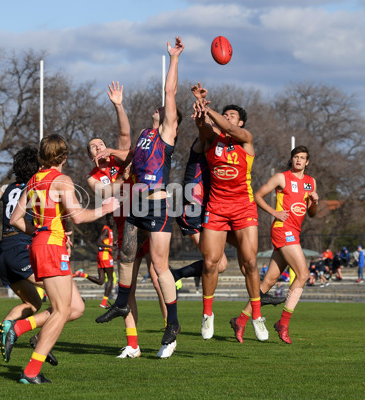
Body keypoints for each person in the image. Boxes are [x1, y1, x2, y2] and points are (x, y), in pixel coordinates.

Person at [96, 37, 184, 359]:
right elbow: (129, 156)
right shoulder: (147, 136)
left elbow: (170, 93)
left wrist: (173, 58)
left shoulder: (167, 131)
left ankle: (171, 324)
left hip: (159, 203)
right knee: (126, 255)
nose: (159, 107)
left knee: (159, 267)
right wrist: (110, 152)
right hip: (135, 201)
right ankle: (121, 303)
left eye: (163, 109)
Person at [9, 134, 118, 384]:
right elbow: (78, 216)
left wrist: (39, 230)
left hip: (39, 245)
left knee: (74, 307)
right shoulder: (62, 180)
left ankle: (19, 332)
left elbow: (15, 220)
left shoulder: (33, 181)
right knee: (61, 310)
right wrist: (105, 208)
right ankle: (31, 370)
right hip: (51, 247)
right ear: (64, 157)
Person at [87, 81, 166, 358]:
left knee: (159, 275)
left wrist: (118, 105)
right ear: (91, 156)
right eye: (93, 147)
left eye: (100, 144)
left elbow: (124, 132)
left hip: (145, 215)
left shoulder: (121, 158)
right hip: (125, 226)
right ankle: (133, 344)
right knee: (127, 287)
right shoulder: (94, 177)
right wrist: (121, 181)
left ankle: (170, 333)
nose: (98, 148)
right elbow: (104, 192)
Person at [192, 90, 268, 342]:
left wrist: (212, 112)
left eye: (232, 115)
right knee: (210, 262)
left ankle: (256, 315)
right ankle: (207, 313)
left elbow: (228, 128)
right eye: (225, 114)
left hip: (243, 206)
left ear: (241, 122)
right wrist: (202, 110)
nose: (227, 118)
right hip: (216, 206)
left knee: (250, 262)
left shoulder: (245, 139)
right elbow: (204, 128)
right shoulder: (211, 141)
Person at [0, 146, 57, 367]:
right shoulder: (36, 187)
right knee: (62, 300)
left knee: (33, 302)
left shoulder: (7, 188)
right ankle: (42, 341)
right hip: (21, 251)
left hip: (3, 253)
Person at [239, 145, 319, 344]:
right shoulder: (282, 178)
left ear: (307, 162)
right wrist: (274, 213)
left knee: (268, 282)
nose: (299, 160)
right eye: (296, 157)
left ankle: (240, 320)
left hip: (295, 233)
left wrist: (315, 202)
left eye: (302, 158)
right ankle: (283, 322)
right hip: (283, 230)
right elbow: (257, 195)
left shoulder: (310, 182)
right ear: (292, 160)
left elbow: (312, 213)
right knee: (303, 274)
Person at [73, 214, 117, 309]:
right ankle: (104, 303)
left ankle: (83, 275)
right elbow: (98, 242)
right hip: (105, 257)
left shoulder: (109, 230)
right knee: (110, 279)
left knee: (101, 281)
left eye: (113, 220)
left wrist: (112, 244)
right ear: (107, 220)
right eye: (111, 220)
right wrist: (110, 247)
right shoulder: (106, 230)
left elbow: (104, 242)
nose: (112, 221)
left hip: (101, 256)